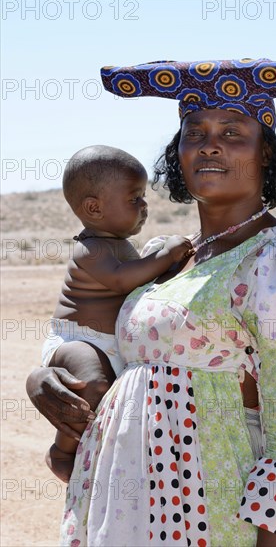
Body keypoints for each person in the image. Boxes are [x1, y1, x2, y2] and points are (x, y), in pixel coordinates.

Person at [26, 59, 276, 546]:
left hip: (217, 511)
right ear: (177, 153)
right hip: (135, 509)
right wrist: (43, 378)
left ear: (266, 155)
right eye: (193, 132)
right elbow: (111, 354)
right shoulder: (170, 259)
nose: (210, 143)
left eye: (233, 131)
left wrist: (275, 538)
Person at [41, 144, 193, 483]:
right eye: (134, 199)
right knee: (92, 386)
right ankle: (62, 452)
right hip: (78, 339)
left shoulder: (118, 243)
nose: (144, 206)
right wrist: (166, 256)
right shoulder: (91, 248)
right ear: (94, 208)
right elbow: (122, 279)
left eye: (142, 197)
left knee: (114, 399)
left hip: (106, 343)